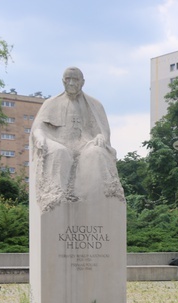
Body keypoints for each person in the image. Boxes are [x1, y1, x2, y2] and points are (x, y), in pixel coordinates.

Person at [29, 67, 124, 212]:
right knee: (59, 153)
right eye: (68, 79)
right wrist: (40, 137)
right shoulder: (51, 103)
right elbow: (38, 128)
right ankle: (57, 197)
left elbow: (102, 131)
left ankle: (98, 200)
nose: (72, 83)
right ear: (63, 81)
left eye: (75, 79)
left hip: (84, 143)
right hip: (59, 141)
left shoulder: (95, 104)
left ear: (83, 82)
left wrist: (100, 136)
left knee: (97, 153)